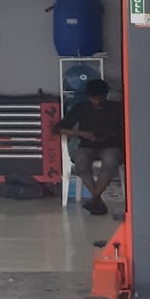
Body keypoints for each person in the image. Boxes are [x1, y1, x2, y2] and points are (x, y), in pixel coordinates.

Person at [54, 79, 123, 215]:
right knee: (80, 160)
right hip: (87, 146)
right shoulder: (81, 108)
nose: (98, 102)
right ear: (88, 97)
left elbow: (126, 128)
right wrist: (82, 133)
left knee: (110, 160)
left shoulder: (116, 108)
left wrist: (112, 136)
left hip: (110, 146)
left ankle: (94, 199)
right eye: (94, 99)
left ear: (106, 95)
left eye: (101, 98)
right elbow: (58, 129)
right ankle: (96, 199)